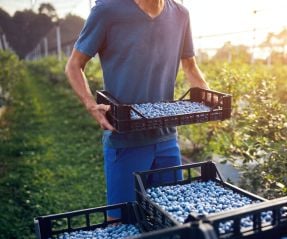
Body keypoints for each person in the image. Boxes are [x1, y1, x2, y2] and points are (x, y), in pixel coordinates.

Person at [65, 0, 209, 219]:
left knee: (171, 219)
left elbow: (189, 65)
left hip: (166, 138)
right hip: (125, 138)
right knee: (122, 222)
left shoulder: (181, 14)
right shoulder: (107, 11)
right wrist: (89, 103)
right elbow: (74, 64)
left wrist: (208, 97)